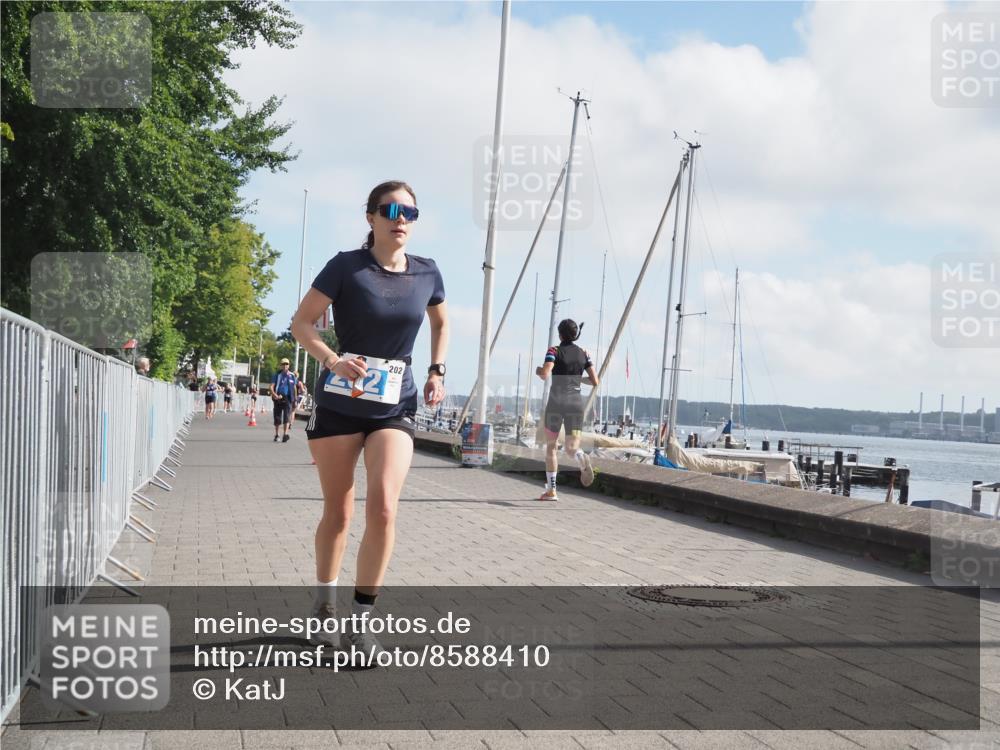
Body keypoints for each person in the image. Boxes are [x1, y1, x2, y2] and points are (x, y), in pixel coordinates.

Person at [290, 180, 448, 665]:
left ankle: (361, 625)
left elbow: (442, 323)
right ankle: (323, 604)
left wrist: (436, 370)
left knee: (382, 508)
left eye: (410, 212)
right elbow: (301, 324)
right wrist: (332, 359)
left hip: (393, 406)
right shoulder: (346, 267)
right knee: (338, 515)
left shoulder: (427, 273)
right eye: (391, 210)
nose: (401, 218)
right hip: (339, 403)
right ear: (371, 217)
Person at [535, 319, 600, 501]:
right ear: (575, 334)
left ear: (560, 334)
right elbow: (595, 381)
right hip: (575, 405)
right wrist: (578, 379)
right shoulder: (584, 354)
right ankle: (580, 456)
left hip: (556, 403)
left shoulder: (553, 351)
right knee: (571, 448)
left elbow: (545, 373)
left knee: (551, 448)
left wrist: (538, 370)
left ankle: (551, 491)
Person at [270, 359, 297, 442]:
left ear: (289, 365)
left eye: (287, 364)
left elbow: (294, 388)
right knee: (277, 417)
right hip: (278, 397)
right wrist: (274, 394)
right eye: (283, 364)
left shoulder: (292, 375)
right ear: (281, 365)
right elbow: (271, 386)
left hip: (288, 398)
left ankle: (285, 434)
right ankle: (277, 434)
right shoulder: (277, 375)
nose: (285, 365)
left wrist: (295, 400)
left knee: (286, 417)